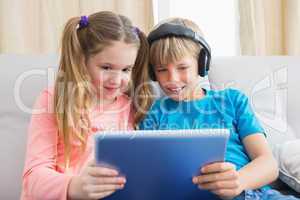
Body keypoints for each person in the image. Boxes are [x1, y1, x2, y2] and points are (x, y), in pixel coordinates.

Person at [139, 17, 299, 200]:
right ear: (152, 72)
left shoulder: (232, 100)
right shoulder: (154, 114)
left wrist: (239, 180)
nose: (172, 78)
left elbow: (268, 165)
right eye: (161, 70)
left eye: (182, 67)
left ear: (202, 63)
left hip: (250, 194)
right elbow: (148, 175)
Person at [21, 11, 152, 200]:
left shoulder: (129, 107)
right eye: (106, 67)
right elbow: (32, 178)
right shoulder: (53, 100)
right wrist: (74, 187)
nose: (117, 80)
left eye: (126, 70)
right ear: (81, 60)